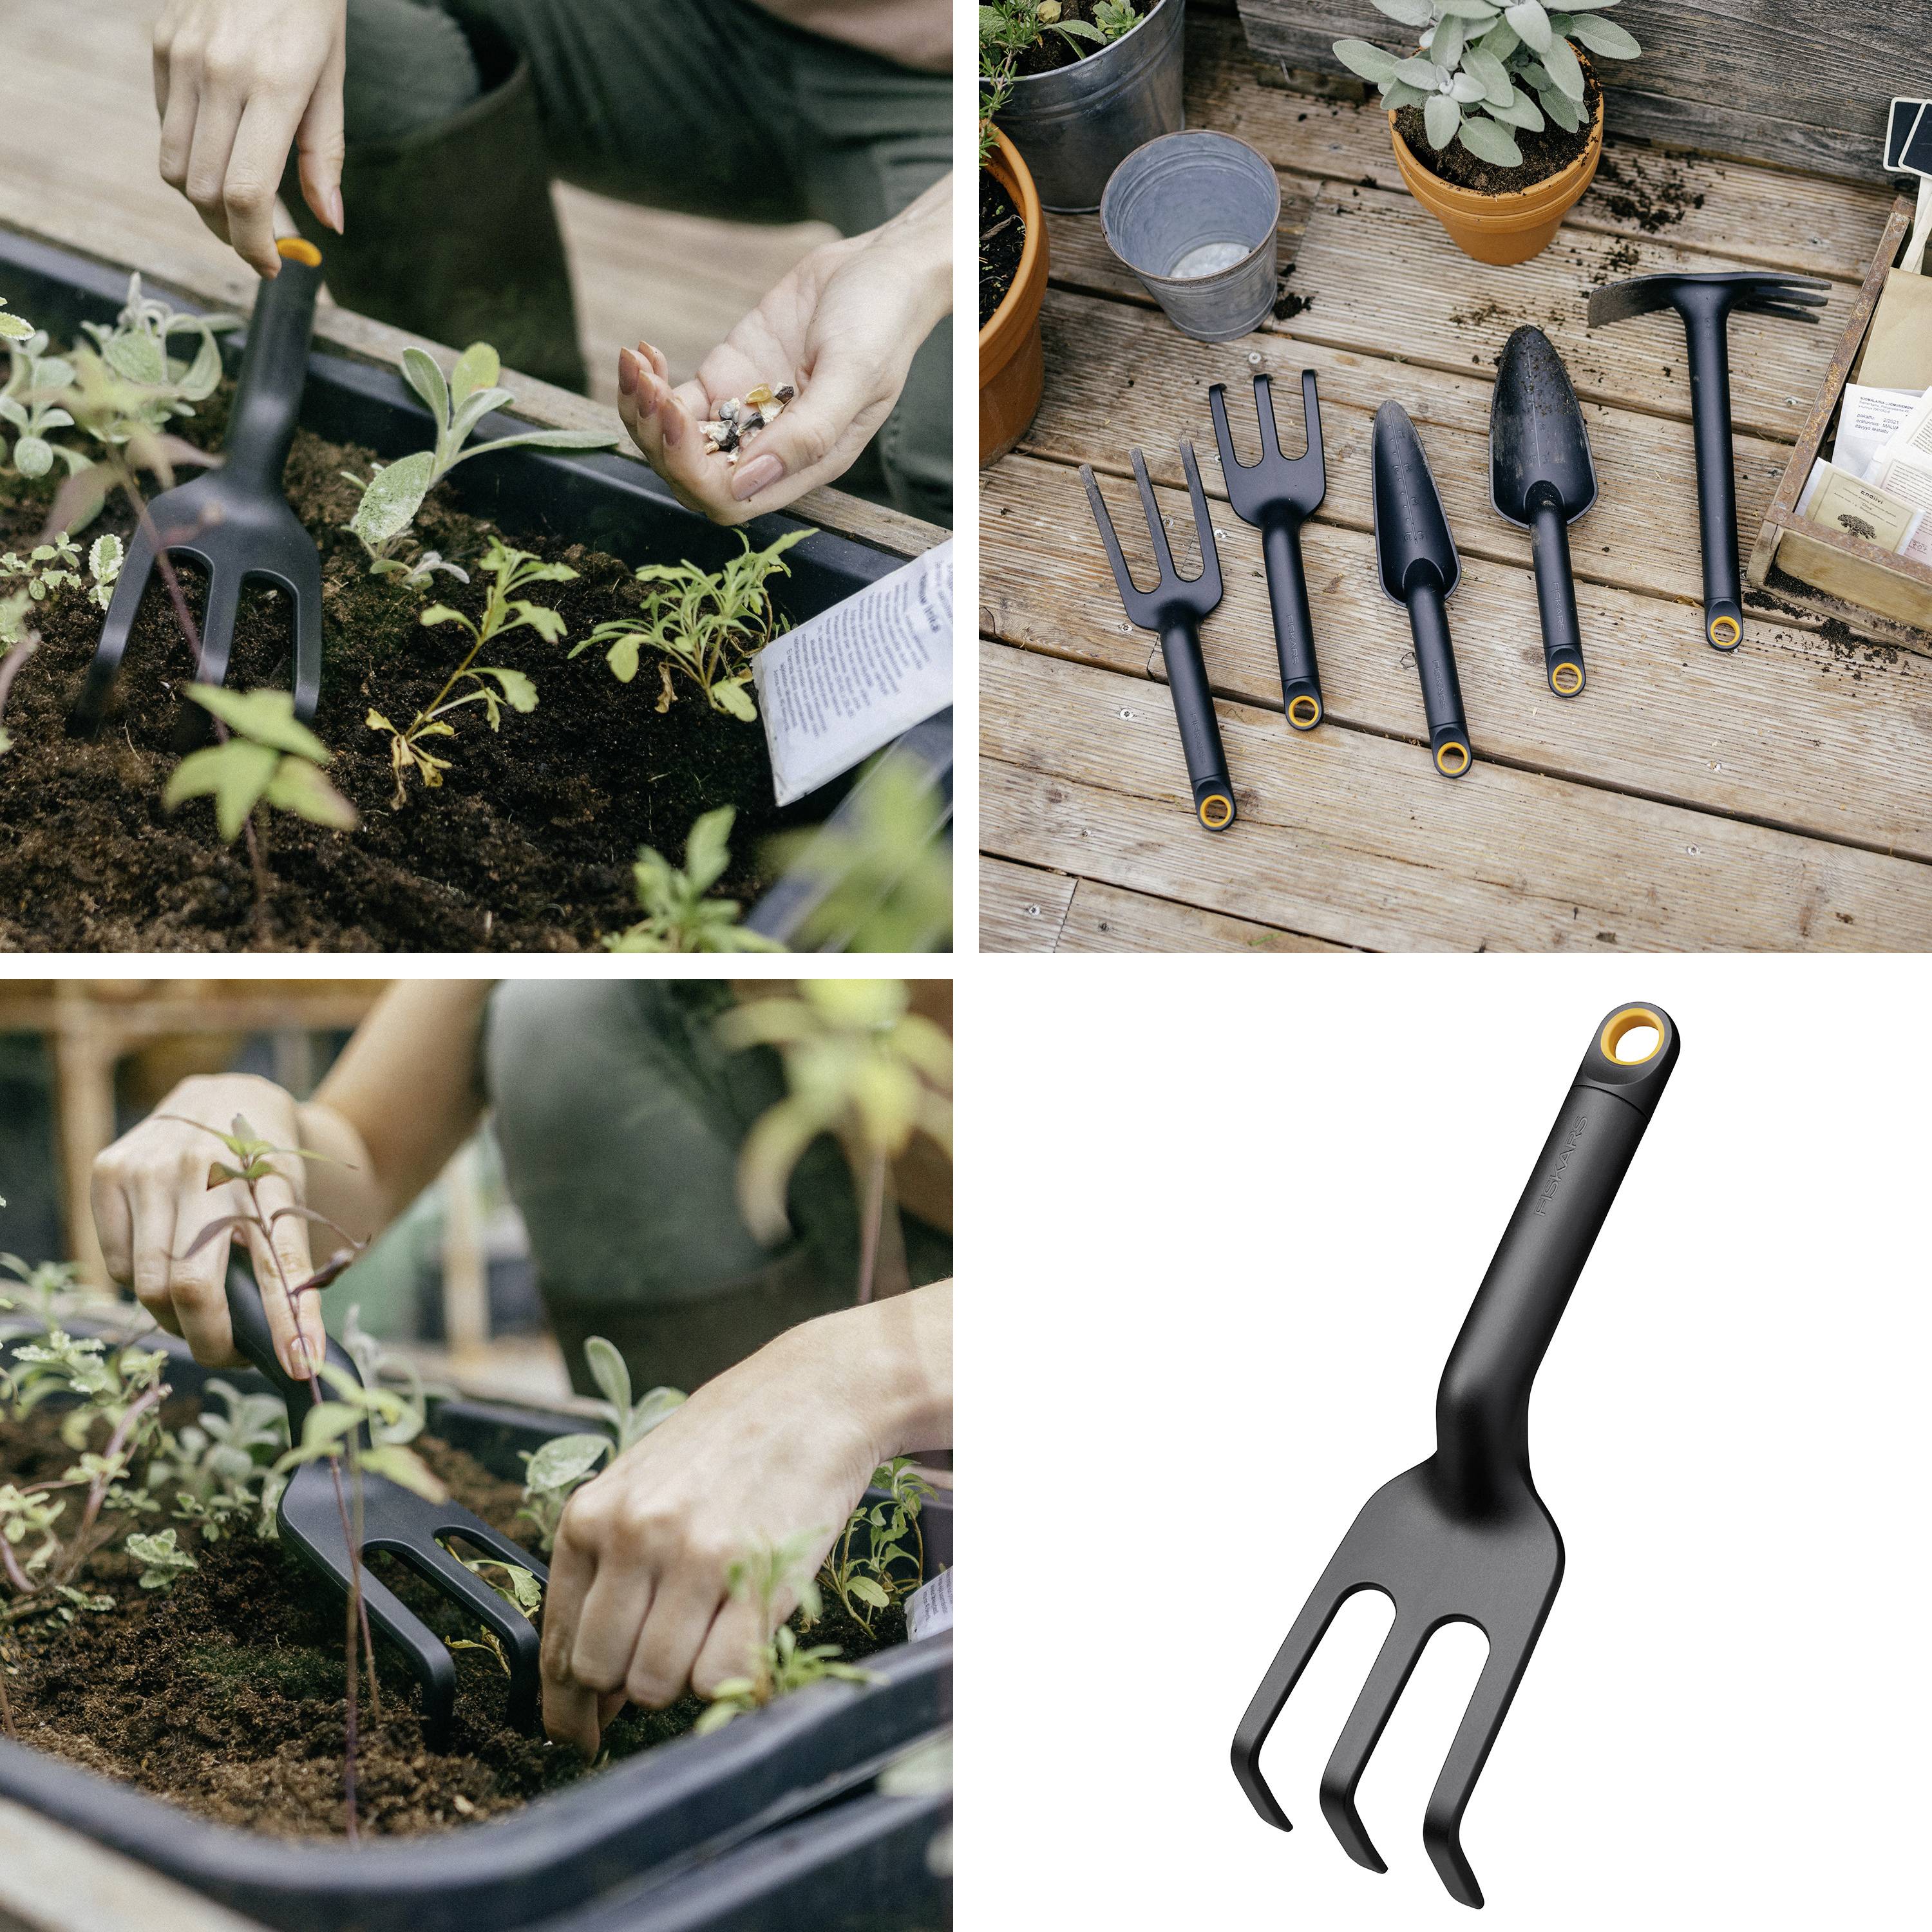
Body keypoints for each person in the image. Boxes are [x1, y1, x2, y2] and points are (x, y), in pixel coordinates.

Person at [89, 979, 952, 1757]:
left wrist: (837, 1378)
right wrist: (244, 1123)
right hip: (801, 1237)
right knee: (558, 1004)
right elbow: (362, 1152)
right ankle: (682, 1544)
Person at [147, 0, 954, 526]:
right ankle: (504, 459)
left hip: (961, 85)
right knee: (342, 46)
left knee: (949, 437)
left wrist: (916, 257)